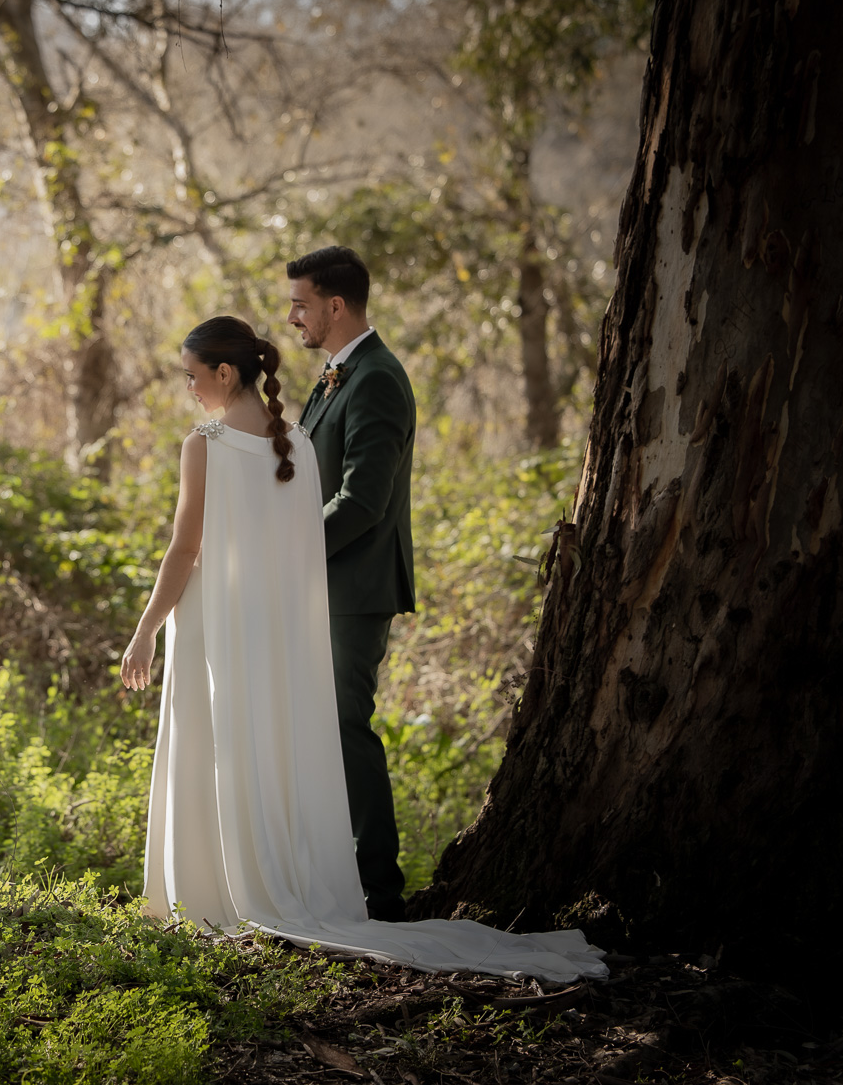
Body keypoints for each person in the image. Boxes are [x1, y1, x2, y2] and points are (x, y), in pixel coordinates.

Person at [122, 313, 604, 982]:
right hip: (271, 625)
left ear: (224, 373)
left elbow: (185, 549)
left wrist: (145, 629)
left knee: (219, 747)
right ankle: (257, 882)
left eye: (193, 377)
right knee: (260, 750)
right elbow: (299, 557)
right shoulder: (296, 442)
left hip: (214, 620)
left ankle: (212, 896)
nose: (190, 389)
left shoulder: (204, 443)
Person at [285, 244, 415, 922]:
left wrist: (289, 552)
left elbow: (363, 501)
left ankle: (380, 893)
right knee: (320, 731)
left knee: (344, 729)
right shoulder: (337, 374)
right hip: (322, 586)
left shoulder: (377, 379)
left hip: (355, 589)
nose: (292, 317)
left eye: (301, 304)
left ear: (336, 305)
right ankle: (334, 878)